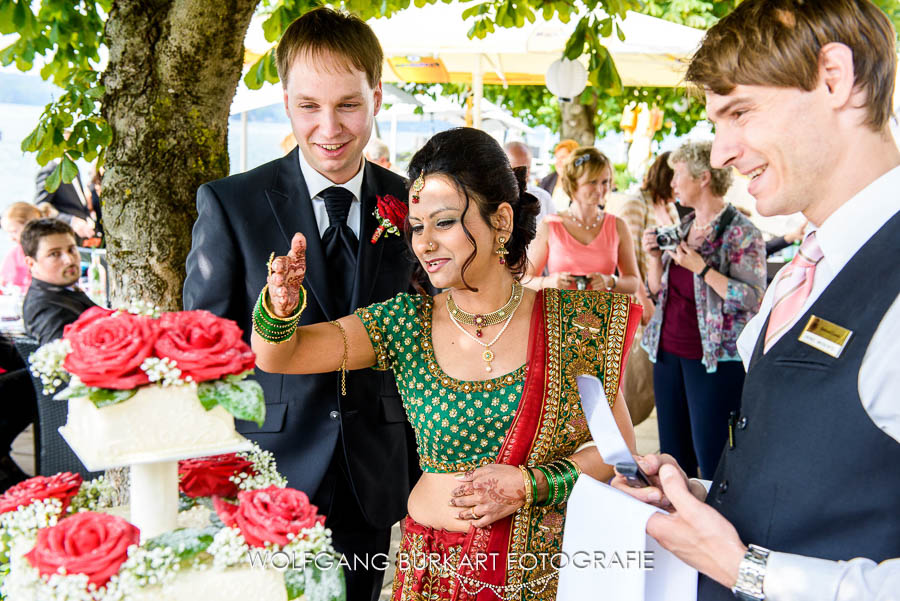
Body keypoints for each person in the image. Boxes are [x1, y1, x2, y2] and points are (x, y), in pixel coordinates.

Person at [252, 127, 643, 601]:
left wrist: (529, 484)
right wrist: (280, 303)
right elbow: (280, 355)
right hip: (432, 579)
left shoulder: (575, 324)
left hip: (542, 577)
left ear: (500, 220)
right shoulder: (405, 322)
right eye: (417, 227)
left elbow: (616, 448)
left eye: (443, 223)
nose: (425, 243)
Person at [612, 1, 900, 600]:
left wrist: (746, 569)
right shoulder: (815, 259)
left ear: (833, 78)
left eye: (739, 112)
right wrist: (710, 500)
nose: (721, 154)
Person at [182, 8, 419, 601]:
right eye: (310, 106)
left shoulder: (412, 202)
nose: (330, 127)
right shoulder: (231, 203)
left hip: (376, 465)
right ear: (286, 100)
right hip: (271, 466)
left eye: (348, 104)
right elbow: (209, 348)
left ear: (377, 96)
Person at [639, 141, 765, 479]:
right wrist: (653, 259)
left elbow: (753, 298)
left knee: (712, 456)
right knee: (672, 456)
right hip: (666, 354)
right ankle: (677, 521)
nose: (673, 183)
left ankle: (713, 524)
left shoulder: (741, 232)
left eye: (679, 174)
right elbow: (656, 291)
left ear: (704, 178)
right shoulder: (682, 228)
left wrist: (703, 270)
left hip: (714, 360)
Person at [526, 147, 640, 295]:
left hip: (602, 316)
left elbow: (633, 283)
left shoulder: (618, 225)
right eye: (592, 182)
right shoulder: (551, 225)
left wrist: (610, 281)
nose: (600, 189)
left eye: (605, 182)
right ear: (573, 183)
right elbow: (525, 280)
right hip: (559, 316)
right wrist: (549, 282)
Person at [614, 152, 680, 324]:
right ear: (667, 178)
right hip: (640, 300)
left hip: (666, 299)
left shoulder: (670, 207)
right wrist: (645, 301)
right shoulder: (636, 204)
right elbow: (629, 261)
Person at [21, 219, 97, 344]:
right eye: (55, 254)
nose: (69, 260)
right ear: (31, 263)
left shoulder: (63, 290)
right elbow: (62, 358)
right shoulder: (46, 308)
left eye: (71, 250)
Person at [34, 159, 96, 242]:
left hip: (85, 236)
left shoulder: (74, 169)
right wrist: (71, 221)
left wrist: (88, 218)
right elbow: (40, 208)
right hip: (65, 235)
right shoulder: (49, 171)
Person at [503, 140, 554, 223]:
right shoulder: (488, 199)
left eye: (527, 169)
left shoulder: (544, 198)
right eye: (515, 169)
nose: (522, 175)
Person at [1, 202, 46, 292]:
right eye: (8, 233)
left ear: (30, 227)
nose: (11, 238)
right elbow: (3, 283)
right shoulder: (14, 254)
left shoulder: (47, 251)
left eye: (14, 231)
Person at [538, 138, 578, 211]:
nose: (558, 162)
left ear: (574, 159)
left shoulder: (582, 183)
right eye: (557, 158)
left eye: (563, 157)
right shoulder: (546, 181)